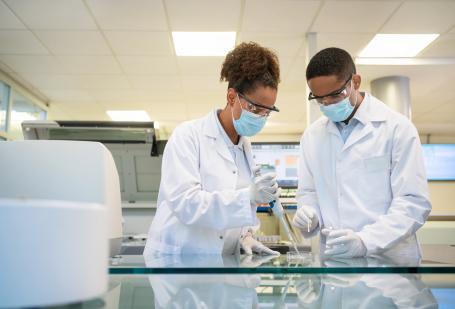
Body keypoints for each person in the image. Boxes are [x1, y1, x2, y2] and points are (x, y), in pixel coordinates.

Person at [144, 42, 281, 256]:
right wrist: (248, 197)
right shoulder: (188, 136)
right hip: (179, 260)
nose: (261, 117)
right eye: (255, 108)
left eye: (267, 111)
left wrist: (246, 236)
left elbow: (234, 209)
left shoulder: (244, 147)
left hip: (222, 263)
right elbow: (186, 203)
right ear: (231, 97)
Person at [292, 47, 431, 258]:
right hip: (336, 260)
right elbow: (309, 192)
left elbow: (413, 202)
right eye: (320, 99)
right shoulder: (313, 136)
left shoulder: (396, 128)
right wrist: (309, 213)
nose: (327, 104)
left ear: (355, 82)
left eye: (335, 95)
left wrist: (365, 241)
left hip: (389, 263)